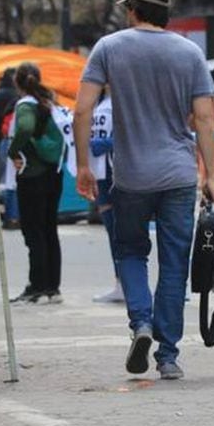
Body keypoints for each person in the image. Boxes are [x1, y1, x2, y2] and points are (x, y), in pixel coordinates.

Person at [73, 0, 214, 381]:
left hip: (132, 175)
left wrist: (84, 164)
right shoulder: (190, 53)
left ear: (132, 10)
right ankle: (168, 355)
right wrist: (211, 174)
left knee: (131, 252)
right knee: (174, 265)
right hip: (177, 174)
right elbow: (205, 118)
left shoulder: (109, 48)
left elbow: (82, 110)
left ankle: (140, 323)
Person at [7, 62, 65, 305]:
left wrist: (13, 151)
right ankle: (53, 286)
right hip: (55, 172)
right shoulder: (51, 103)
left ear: (17, 83)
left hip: (33, 174)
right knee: (50, 228)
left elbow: (25, 127)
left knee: (34, 231)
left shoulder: (25, 106)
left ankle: (37, 285)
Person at [89, 91, 124, 304]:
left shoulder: (123, 101)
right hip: (101, 172)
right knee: (112, 229)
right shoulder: (100, 101)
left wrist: (105, 143)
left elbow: (131, 134)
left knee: (119, 230)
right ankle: (120, 283)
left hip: (115, 172)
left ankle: (126, 283)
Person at [0, 68, 21, 229]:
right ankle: (15, 216)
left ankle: (5, 214)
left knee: (1, 180)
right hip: (15, 143)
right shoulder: (19, 98)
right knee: (14, 181)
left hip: (0, 143)